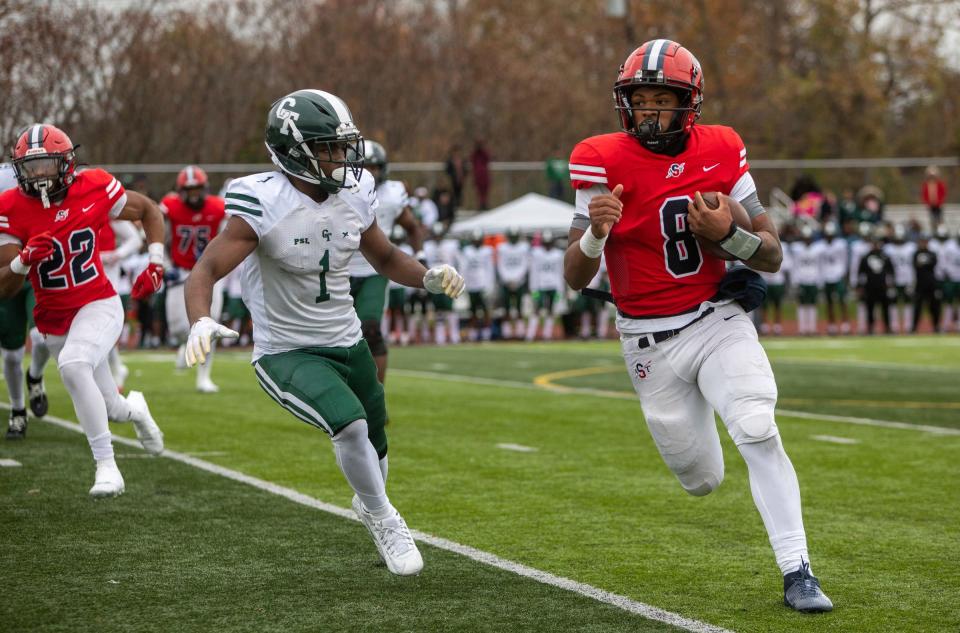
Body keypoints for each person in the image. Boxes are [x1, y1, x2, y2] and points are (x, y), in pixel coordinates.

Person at [563, 40, 832, 613]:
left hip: (715, 318)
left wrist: (727, 235)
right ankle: (709, 412)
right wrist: (594, 234)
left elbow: (773, 256)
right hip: (647, 341)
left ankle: (797, 569)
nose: (648, 113)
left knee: (757, 426)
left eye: (662, 100)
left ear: (689, 104)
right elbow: (573, 274)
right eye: (640, 100)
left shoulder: (723, 148)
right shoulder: (599, 157)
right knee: (701, 479)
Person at [182, 89, 465, 576]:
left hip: (347, 338)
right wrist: (199, 319)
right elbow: (205, 269)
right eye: (328, 147)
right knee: (349, 424)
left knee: (376, 439)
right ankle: (384, 518)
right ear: (294, 151)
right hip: (287, 351)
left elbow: (383, 256)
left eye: (341, 144)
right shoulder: (263, 202)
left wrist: (427, 276)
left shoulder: (355, 191)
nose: (341, 157)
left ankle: (373, 500)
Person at [0, 124, 165, 497]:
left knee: (74, 365)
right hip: (54, 317)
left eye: (46, 165)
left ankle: (107, 466)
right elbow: (4, 287)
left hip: (98, 302)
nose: (39, 176)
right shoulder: (10, 206)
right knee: (111, 408)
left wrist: (155, 262)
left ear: (66, 164)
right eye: (31, 167)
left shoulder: (93, 185)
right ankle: (136, 409)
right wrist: (23, 262)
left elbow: (149, 211)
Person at [348, 141, 422, 383]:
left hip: (374, 270)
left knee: (370, 329)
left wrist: (419, 256)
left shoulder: (392, 193)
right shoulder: (338, 189)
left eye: (375, 166)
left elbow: (412, 227)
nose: (370, 172)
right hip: (338, 270)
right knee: (337, 336)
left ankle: (376, 397)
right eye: (364, 166)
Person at [160, 165, 227, 392]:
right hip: (181, 271)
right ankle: (184, 345)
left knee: (211, 323)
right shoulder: (171, 207)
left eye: (197, 189)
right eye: (190, 190)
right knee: (178, 327)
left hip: (209, 271)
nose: (194, 194)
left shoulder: (218, 208)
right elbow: (159, 233)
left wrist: (220, 264)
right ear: (181, 191)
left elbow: (228, 237)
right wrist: (165, 264)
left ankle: (203, 377)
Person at [0, 163, 51, 439]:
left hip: (33, 275)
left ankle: (35, 375)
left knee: (43, 337)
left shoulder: (34, 192)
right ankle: (18, 411)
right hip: (4, 279)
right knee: (11, 354)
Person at [99, 215, 143, 389]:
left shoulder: (108, 213)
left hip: (106, 275)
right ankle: (116, 367)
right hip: (81, 274)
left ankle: (115, 370)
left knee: (104, 323)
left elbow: (135, 239)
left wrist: (117, 255)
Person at [526, 231, 565, 341]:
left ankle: (547, 334)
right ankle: (530, 334)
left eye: (549, 243)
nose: (547, 245)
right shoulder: (536, 253)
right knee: (536, 309)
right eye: (546, 243)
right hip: (540, 285)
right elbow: (534, 271)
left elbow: (560, 272)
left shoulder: (558, 254)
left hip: (553, 285)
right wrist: (533, 287)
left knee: (551, 310)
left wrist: (560, 289)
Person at [459, 229, 495, 341]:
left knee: (485, 310)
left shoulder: (487, 251)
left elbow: (490, 269)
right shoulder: (467, 251)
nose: (477, 242)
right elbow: (463, 268)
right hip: (471, 284)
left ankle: (487, 332)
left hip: (483, 284)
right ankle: (473, 332)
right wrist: (463, 282)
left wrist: (490, 284)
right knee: (473, 310)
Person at [858, 227, 895, 334]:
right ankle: (870, 327)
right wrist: (860, 286)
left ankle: (887, 327)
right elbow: (861, 272)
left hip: (883, 286)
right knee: (870, 308)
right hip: (870, 286)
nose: (875, 245)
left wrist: (891, 284)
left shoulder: (885, 256)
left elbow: (891, 271)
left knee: (885, 308)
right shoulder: (866, 257)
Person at [496, 227, 530, 339]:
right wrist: (507, 279)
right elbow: (500, 265)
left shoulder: (524, 248)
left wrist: (517, 279)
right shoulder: (502, 248)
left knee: (519, 307)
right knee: (506, 308)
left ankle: (520, 332)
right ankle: (506, 332)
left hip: (519, 281)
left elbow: (525, 264)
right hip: (506, 281)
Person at [883, 224, 916, 334]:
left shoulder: (911, 247)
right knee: (892, 302)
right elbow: (886, 266)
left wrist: (912, 280)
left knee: (908, 302)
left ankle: (908, 325)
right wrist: (888, 280)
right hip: (893, 279)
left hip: (907, 278)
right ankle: (894, 325)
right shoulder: (888, 248)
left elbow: (913, 264)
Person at [791, 225, 823, 335]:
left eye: (808, 237)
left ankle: (812, 328)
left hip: (813, 280)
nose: (807, 240)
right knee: (801, 304)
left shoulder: (817, 250)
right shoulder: (797, 249)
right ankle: (802, 328)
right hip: (802, 280)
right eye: (805, 237)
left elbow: (819, 266)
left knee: (813, 304)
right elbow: (794, 265)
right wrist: (795, 281)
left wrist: (819, 281)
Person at [820, 222, 850, 334]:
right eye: (828, 235)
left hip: (838, 275)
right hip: (827, 276)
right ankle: (831, 325)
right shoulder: (821, 246)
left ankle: (845, 324)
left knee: (842, 301)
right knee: (829, 303)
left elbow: (845, 260)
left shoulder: (841, 244)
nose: (829, 237)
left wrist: (845, 275)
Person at [911, 234, 941, 332]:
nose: (923, 243)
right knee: (917, 307)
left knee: (934, 306)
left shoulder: (932, 253)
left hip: (931, 283)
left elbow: (933, 264)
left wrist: (923, 264)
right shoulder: (916, 253)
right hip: (920, 283)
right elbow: (916, 265)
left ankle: (936, 326)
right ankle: (914, 327)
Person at [470, 139, 491, 210]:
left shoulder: (482, 154)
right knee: (480, 192)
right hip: (479, 176)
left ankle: (483, 204)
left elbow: (487, 158)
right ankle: (482, 204)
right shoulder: (475, 154)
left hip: (483, 176)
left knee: (483, 192)